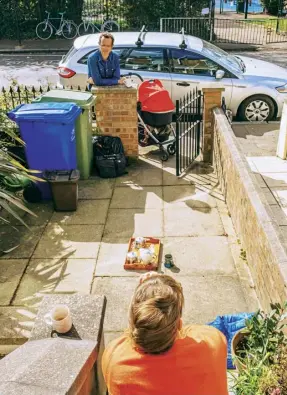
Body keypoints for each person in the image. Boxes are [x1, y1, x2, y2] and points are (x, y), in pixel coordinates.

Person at [102, 273, 229, 395]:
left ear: (134, 321)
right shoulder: (213, 343)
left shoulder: (114, 358)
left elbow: (137, 335)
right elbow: (194, 331)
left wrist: (148, 294)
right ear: (179, 325)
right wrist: (169, 289)